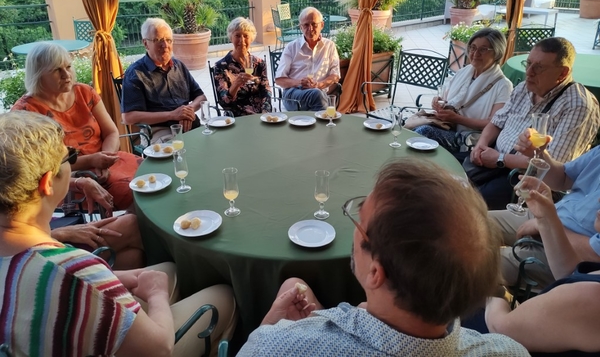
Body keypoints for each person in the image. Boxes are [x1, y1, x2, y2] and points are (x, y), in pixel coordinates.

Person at [0, 110, 237, 357]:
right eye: (70, 157)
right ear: (47, 182)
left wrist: (111, 278)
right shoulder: (76, 271)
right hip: (151, 346)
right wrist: (155, 295)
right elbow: (158, 348)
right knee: (225, 294)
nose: (73, 163)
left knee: (168, 269)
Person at [237, 159, 529, 356]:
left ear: (376, 273)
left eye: (360, 221)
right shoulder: (508, 351)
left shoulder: (274, 346)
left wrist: (268, 326)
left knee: (292, 284)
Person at [467, 37, 600, 210]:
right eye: (528, 63)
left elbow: (552, 169)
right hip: (492, 163)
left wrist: (500, 159)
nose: (529, 72)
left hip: (524, 180)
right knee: (448, 181)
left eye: (539, 67)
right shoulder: (524, 87)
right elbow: (496, 122)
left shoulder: (578, 106)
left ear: (562, 73)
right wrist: (481, 145)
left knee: (468, 205)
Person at [11, 42, 141, 213]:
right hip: (68, 178)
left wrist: (105, 158)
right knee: (138, 193)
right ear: (38, 75)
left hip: (107, 162)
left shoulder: (84, 92)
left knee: (159, 175)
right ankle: (132, 233)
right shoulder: (26, 113)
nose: (66, 75)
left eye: (68, 66)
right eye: (56, 70)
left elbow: (111, 132)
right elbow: (39, 168)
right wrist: (92, 160)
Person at [480, 177, 600, 355]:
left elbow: (501, 328)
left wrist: (494, 291)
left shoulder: (590, 299)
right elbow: (568, 275)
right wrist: (546, 218)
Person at [490, 129, 600, 289]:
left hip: (566, 254)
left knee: (473, 263)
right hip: (546, 216)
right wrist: (539, 154)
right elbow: (563, 179)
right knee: (471, 222)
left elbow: (593, 255)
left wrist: (546, 225)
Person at [413, 28, 512, 154]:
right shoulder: (464, 72)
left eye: (483, 49)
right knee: (413, 131)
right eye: (473, 47)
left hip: (468, 139)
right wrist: (438, 102)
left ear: (497, 53)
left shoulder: (503, 86)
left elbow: (494, 124)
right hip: (447, 126)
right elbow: (448, 100)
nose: (476, 54)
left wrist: (458, 119)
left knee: (424, 133)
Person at [121, 18, 207, 143]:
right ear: (145, 43)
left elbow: (201, 97)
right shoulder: (135, 74)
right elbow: (128, 117)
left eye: (168, 40)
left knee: (215, 145)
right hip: (159, 130)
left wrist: (188, 110)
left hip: (190, 126)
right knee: (177, 153)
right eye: (158, 40)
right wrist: (172, 115)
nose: (165, 45)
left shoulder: (179, 66)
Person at [51, 174, 145, 271]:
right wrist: (61, 233)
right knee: (130, 225)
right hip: (47, 245)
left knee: (133, 257)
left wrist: (80, 182)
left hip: (52, 226)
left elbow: (39, 181)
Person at [275, 7, 341, 111]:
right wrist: (300, 83)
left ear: (322, 25)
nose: (310, 28)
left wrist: (318, 85)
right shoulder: (292, 47)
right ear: (301, 27)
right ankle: (327, 121)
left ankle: (316, 123)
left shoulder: (329, 46)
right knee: (317, 95)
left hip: (321, 92)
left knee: (318, 96)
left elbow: (335, 75)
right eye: (306, 25)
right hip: (294, 95)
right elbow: (279, 80)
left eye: (314, 24)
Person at [213, 17, 272, 116]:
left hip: (259, 116)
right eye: (237, 35)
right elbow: (224, 103)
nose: (242, 40)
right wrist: (235, 84)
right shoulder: (221, 66)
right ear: (231, 37)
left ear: (251, 38)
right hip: (236, 117)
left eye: (246, 36)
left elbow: (266, 91)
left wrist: (265, 113)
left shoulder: (259, 63)